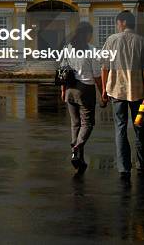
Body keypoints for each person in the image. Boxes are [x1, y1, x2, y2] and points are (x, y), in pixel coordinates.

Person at [101, 10, 144, 180]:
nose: (117, 25)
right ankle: (143, 164)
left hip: (117, 92)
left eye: (117, 22)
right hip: (138, 94)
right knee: (140, 127)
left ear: (122, 22)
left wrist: (103, 90)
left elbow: (105, 67)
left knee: (120, 127)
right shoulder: (142, 42)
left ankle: (124, 168)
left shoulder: (111, 40)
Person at [61, 21, 103, 173]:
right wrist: (103, 92)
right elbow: (97, 75)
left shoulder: (67, 48)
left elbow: (63, 71)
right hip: (85, 89)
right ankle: (78, 146)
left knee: (75, 123)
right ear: (86, 34)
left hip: (70, 90)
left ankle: (79, 158)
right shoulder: (91, 50)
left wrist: (62, 90)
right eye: (90, 33)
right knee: (88, 123)